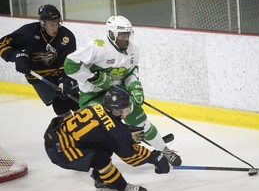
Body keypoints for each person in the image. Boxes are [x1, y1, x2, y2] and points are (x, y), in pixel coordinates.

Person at [64, 15, 182, 166]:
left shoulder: (133, 50)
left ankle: (164, 151)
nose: (126, 38)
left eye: (128, 34)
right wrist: (94, 77)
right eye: (122, 35)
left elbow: (131, 73)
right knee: (98, 130)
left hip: (118, 92)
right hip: (94, 94)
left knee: (140, 121)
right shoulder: (97, 47)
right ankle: (100, 171)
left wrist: (135, 86)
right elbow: (70, 65)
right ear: (112, 34)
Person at [44, 87, 170, 191]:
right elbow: (130, 156)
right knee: (101, 160)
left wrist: (125, 132)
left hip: (57, 134)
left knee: (105, 145)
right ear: (115, 111)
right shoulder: (114, 131)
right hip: (61, 149)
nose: (127, 112)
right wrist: (154, 157)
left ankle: (100, 180)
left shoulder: (97, 106)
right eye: (125, 109)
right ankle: (124, 188)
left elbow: (103, 129)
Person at [0, 4, 80, 119]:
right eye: (51, 25)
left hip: (61, 73)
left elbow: (68, 62)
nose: (55, 28)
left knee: (73, 97)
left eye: (57, 23)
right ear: (43, 24)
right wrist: (16, 56)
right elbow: (2, 43)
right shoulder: (28, 33)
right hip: (38, 76)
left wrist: (65, 79)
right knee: (59, 102)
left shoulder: (66, 36)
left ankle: (87, 123)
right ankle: (68, 124)